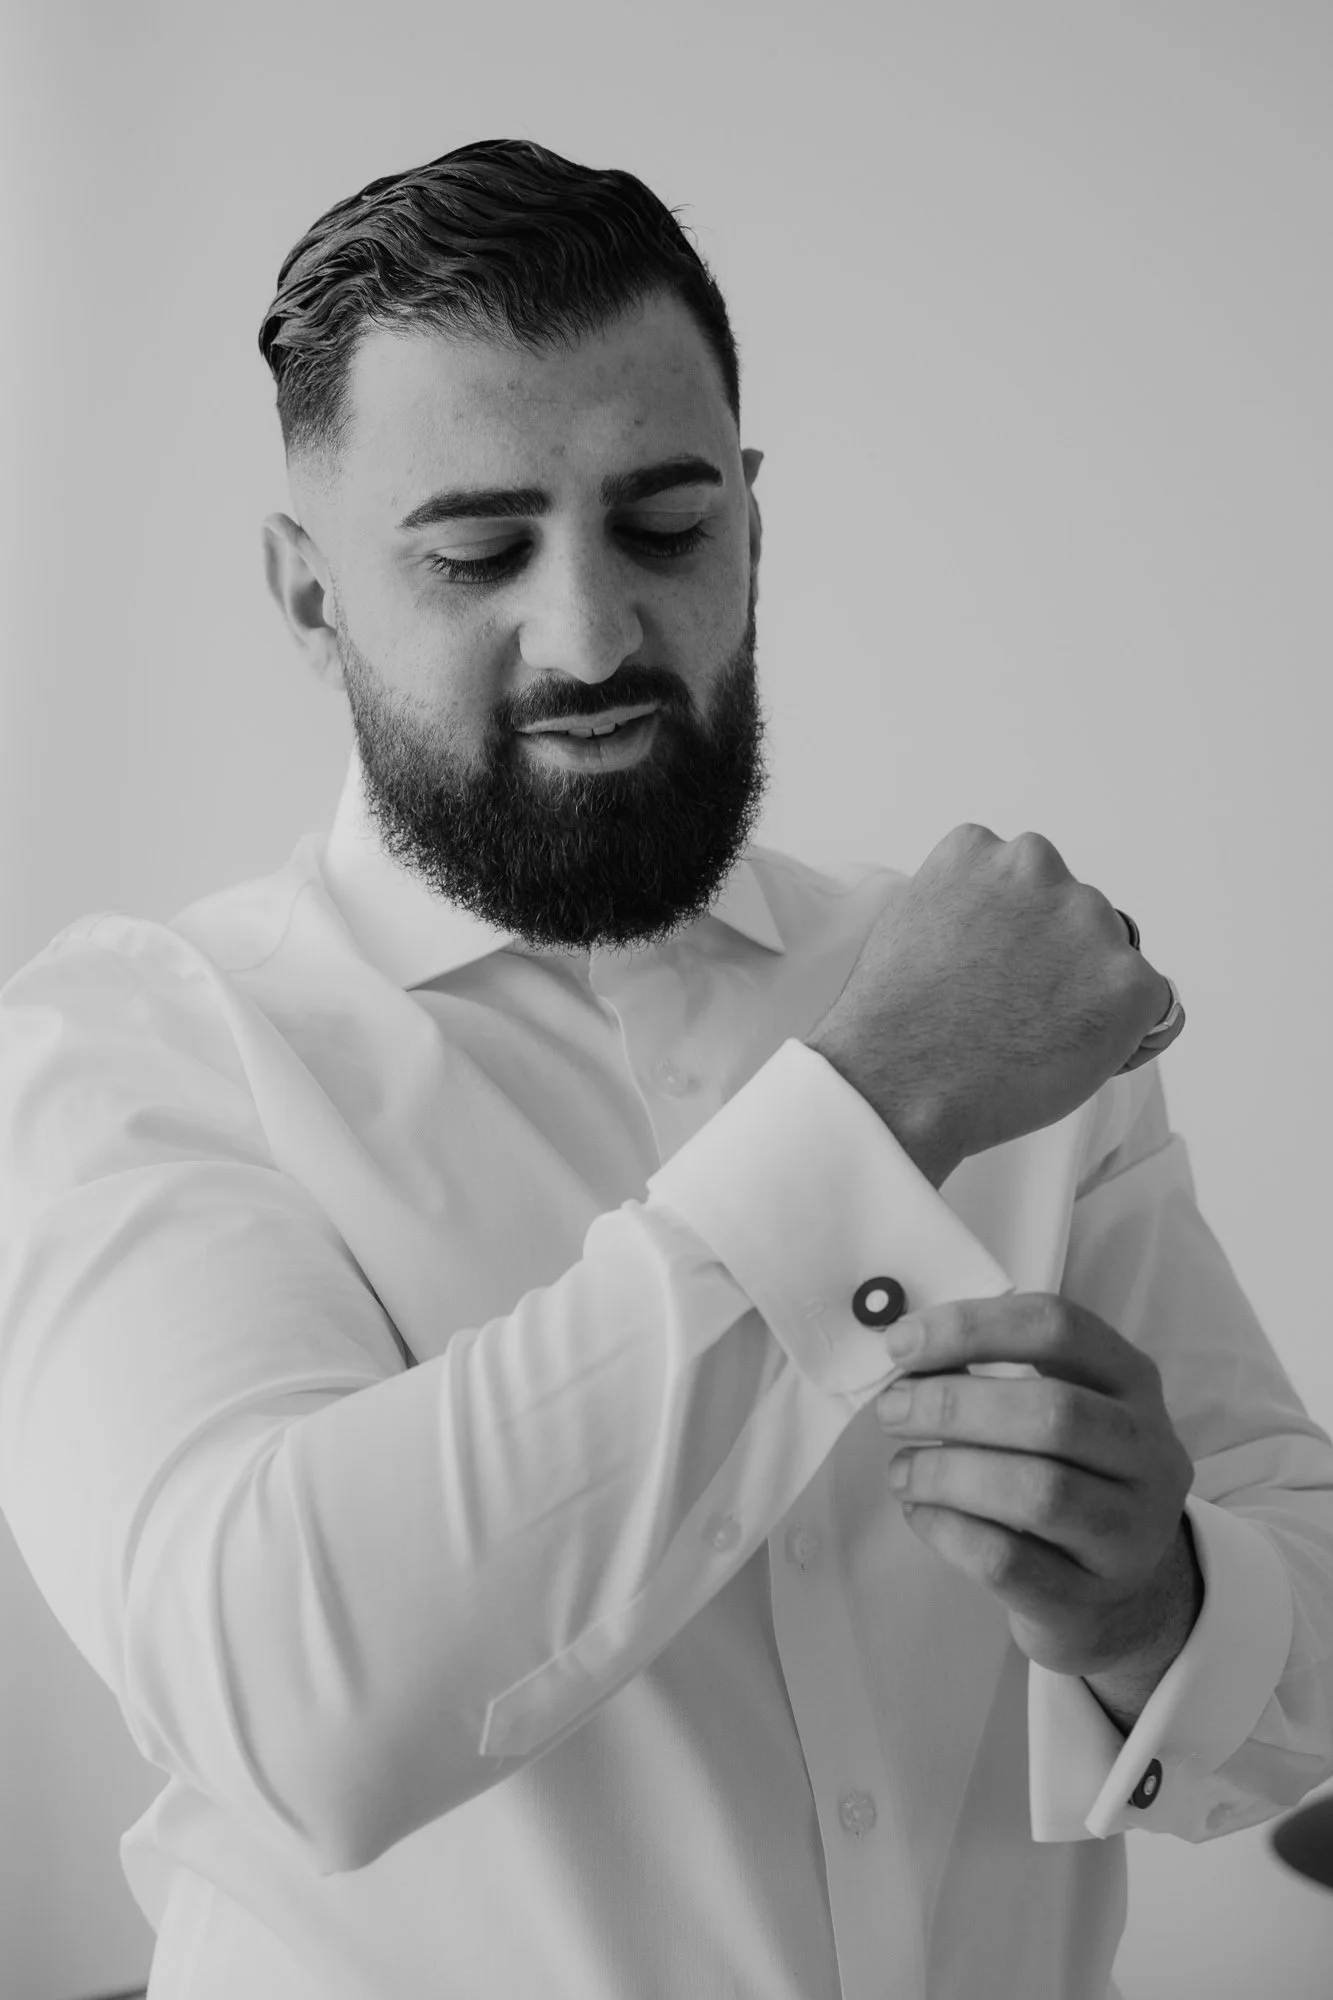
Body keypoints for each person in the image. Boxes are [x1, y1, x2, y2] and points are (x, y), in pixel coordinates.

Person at [1, 136, 1330, 2000]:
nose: (592, 634)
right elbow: (292, 1703)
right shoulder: (138, 1046)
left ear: (757, 530)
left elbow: (1306, 1656)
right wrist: (875, 1108)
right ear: (310, 601)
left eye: (667, 526)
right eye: (477, 551)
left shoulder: (976, 986)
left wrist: (1154, 1604)